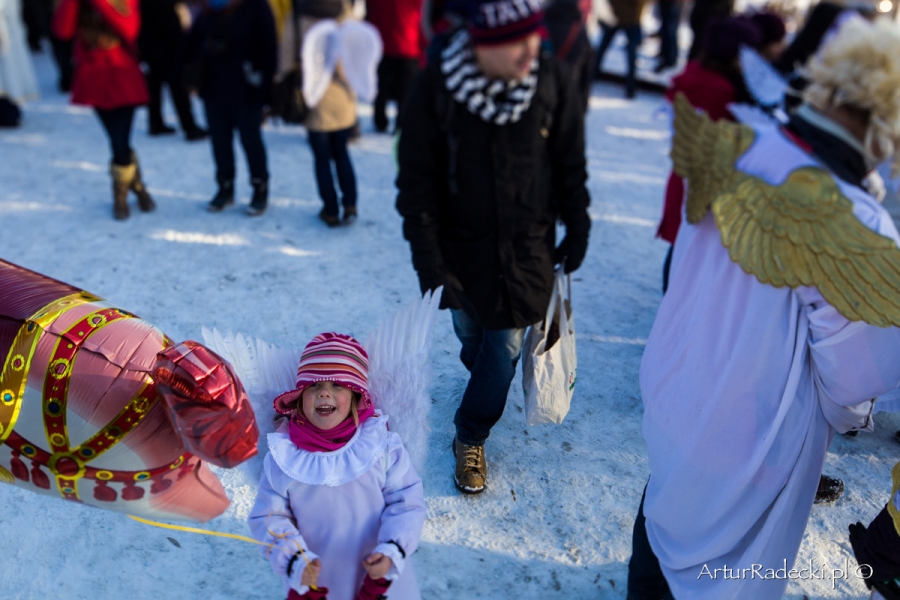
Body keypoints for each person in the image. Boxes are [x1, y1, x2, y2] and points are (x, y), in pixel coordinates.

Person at [628, 17, 900, 600]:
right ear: (883, 127)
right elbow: (854, 379)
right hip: (757, 428)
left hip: (680, 385)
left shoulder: (741, 144)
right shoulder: (855, 220)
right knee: (727, 567)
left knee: (664, 511)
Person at [396, 0, 591, 495]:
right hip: (459, 252)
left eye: (535, 37)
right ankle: (484, 381)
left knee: (501, 350)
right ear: (483, 45)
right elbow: (417, 184)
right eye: (518, 42)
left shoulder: (549, 79)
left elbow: (569, 159)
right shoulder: (436, 88)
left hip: (526, 250)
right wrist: (429, 262)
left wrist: (579, 221)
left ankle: (470, 434)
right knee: (472, 340)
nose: (533, 51)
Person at [247, 333, 427, 600]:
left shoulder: (381, 447)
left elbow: (407, 503)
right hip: (317, 578)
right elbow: (270, 517)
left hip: (380, 572)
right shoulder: (284, 457)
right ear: (299, 397)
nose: (325, 392)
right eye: (313, 386)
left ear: (356, 397)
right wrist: (293, 557)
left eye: (337, 385)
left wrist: (393, 548)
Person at [656, 16, 760, 291]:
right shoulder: (722, 90)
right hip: (708, 184)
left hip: (684, 175)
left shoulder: (694, 73)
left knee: (681, 245)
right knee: (692, 251)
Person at [52, 0, 156, 220]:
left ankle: (120, 195)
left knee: (119, 141)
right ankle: (138, 186)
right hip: (93, 79)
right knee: (118, 140)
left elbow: (129, 30)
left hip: (123, 79)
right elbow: (62, 31)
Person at [179, 0, 277, 216]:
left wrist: (267, 91)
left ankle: (260, 189)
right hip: (213, 87)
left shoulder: (256, 7)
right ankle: (225, 187)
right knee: (220, 141)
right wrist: (185, 71)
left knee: (250, 140)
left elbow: (269, 48)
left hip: (247, 89)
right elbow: (191, 43)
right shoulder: (207, 8)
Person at [299, 0, 367, 227]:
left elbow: (288, 53)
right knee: (341, 153)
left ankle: (330, 210)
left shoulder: (300, 12)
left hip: (313, 97)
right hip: (342, 98)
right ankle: (350, 205)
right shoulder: (345, 13)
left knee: (321, 158)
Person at [139, 0, 207, 139]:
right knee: (177, 85)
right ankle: (189, 127)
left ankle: (156, 123)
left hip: (150, 44)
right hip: (165, 47)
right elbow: (169, 23)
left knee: (154, 83)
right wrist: (182, 44)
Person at [366, 0, 422, 133]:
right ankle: (400, 125)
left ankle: (380, 122)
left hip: (382, 42)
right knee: (405, 92)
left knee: (380, 86)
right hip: (408, 45)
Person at [592, 0, 645, 99]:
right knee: (602, 49)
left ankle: (630, 87)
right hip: (616, 15)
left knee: (631, 54)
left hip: (630, 18)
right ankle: (591, 76)